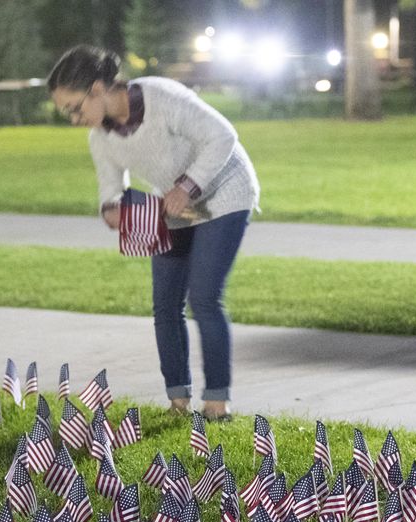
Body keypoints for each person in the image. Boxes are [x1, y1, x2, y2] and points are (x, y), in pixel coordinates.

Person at [47, 45, 259, 422]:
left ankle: (217, 404)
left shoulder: (160, 98)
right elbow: (109, 186)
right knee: (165, 305)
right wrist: (111, 208)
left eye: (74, 107)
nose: (73, 118)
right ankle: (178, 401)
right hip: (175, 207)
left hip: (226, 191)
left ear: (97, 90)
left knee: (205, 298)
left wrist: (188, 186)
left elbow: (223, 136)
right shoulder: (101, 138)